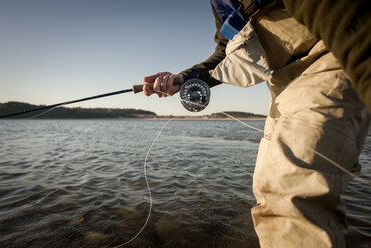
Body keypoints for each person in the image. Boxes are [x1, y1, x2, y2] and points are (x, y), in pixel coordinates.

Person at [142, 0, 370, 247]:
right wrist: (182, 78)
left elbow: (346, 17)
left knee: (291, 193)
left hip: (330, 60)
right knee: (268, 189)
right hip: (282, 81)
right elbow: (225, 50)